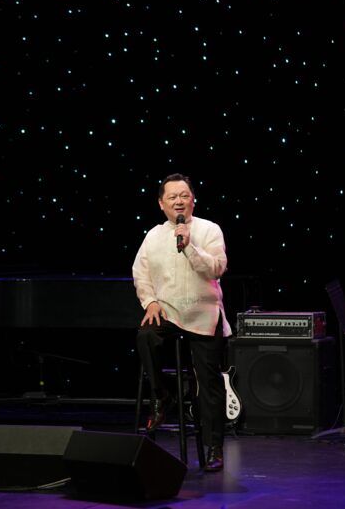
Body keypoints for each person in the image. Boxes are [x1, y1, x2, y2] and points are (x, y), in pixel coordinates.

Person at [134, 173, 231, 472]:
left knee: (209, 382)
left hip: (204, 314)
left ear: (193, 200)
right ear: (162, 203)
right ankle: (164, 396)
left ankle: (214, 447)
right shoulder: (153, 235)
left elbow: (216, 269)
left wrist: (189, 245)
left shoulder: (209, 230)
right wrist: (149, 301)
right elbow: (141, 272)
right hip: (169, 312)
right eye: (173, 197)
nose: (179, 201)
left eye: (184, 195)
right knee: (146, 336)